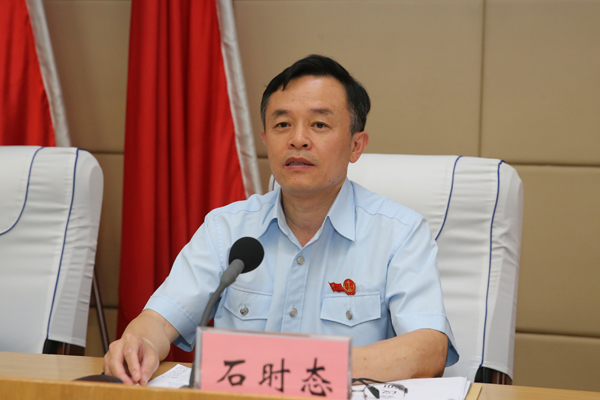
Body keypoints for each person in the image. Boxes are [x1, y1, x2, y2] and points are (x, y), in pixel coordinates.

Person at [104, 54, 459, 385]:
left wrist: (298, 366)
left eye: (319, 124)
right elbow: (158, 320)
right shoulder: (227, 229)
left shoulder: (398, 233)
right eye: (283, 124)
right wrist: (140, 343)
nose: (298, 139)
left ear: (356, 146)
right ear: (265, 139)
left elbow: (429, 350)